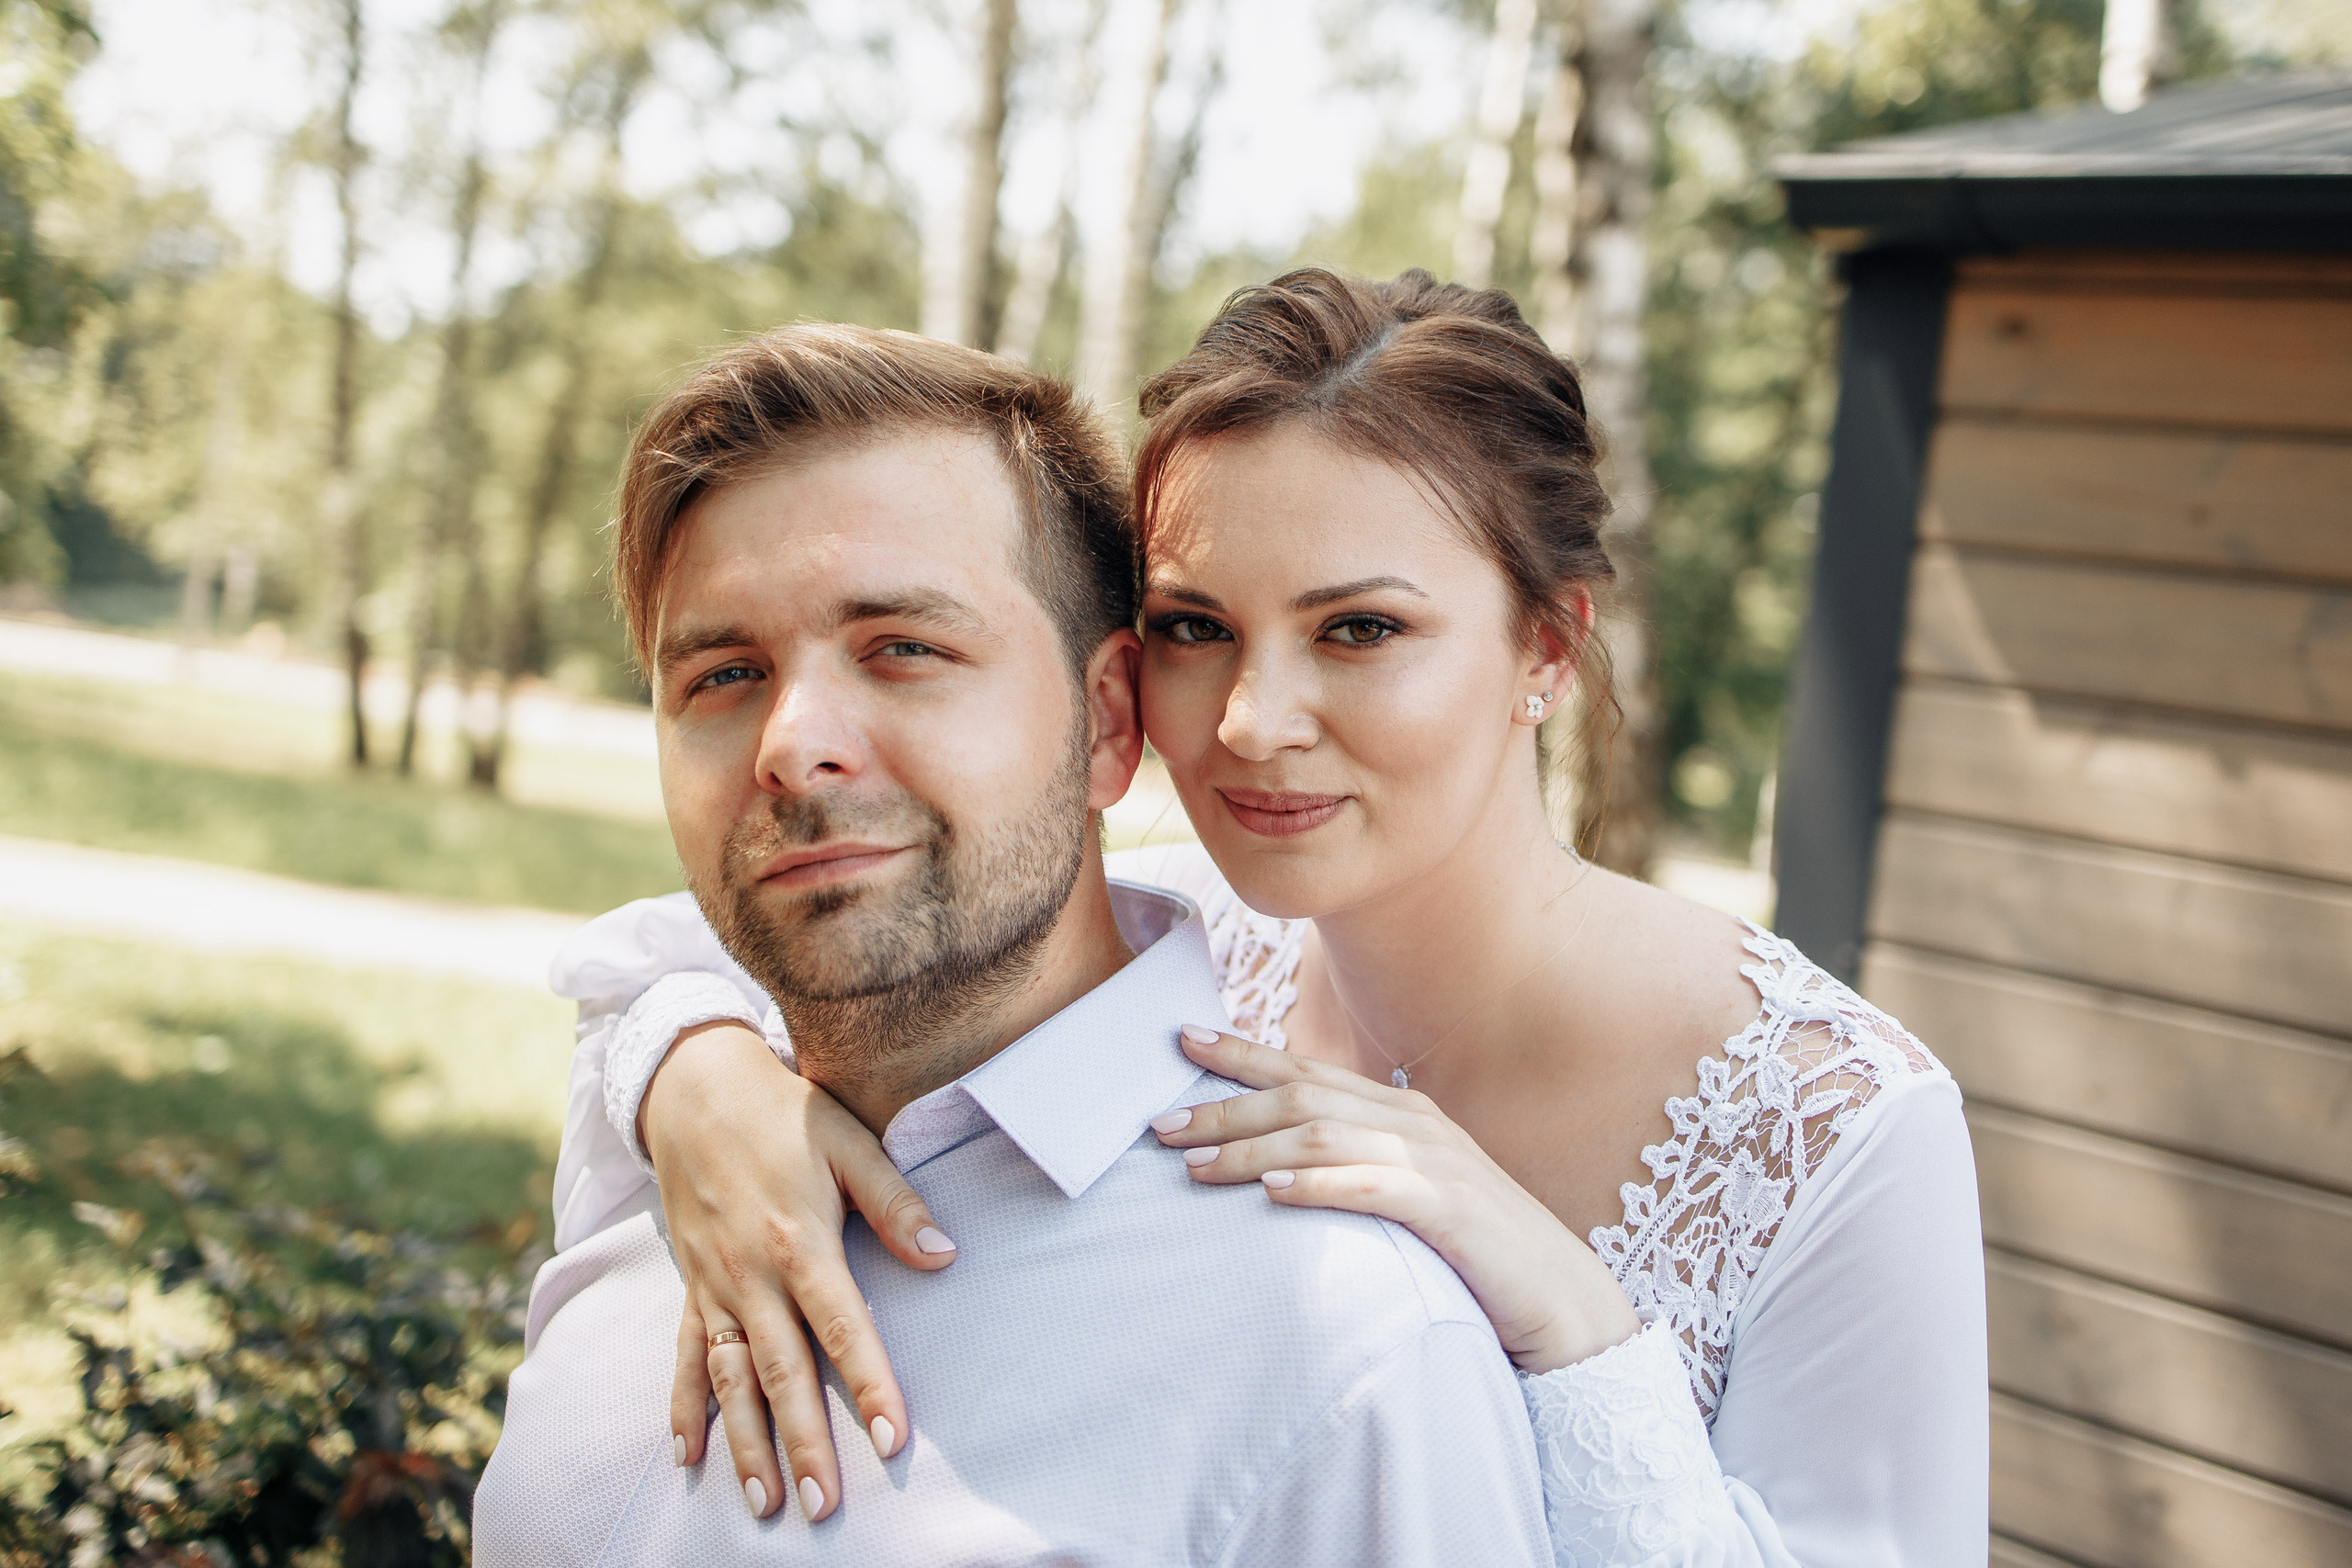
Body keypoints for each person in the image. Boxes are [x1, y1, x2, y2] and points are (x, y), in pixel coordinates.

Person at [552, 271, 1990, 1565]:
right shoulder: (1189, 939)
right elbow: (723, 942)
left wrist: (1573, 1328)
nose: (1251, 719)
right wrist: (700, 1082)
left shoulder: (1833, 1126)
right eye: (1196, 627)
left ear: (1545, 649)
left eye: (1359, 630)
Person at [471, 321, 1553, 1566]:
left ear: (1106, 723)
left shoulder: (1340, 1353)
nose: (792, 743)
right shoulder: (654, 1162)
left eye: (906, 650)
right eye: (723, 674)